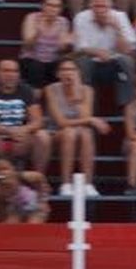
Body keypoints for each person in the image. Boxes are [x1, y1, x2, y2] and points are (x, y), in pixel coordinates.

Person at [45, 57, 108, 198]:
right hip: (56, 133)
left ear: (78, 73)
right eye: (64, 70)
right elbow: (60, 122)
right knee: (69, 132)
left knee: (86, 133)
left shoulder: (87, 90)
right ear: (58, 74)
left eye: (72, 69)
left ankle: (88, 184)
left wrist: (76, 96)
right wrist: (91, 119)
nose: (68, 73)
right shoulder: (51, 89)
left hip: (80, 133)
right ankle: (66, 184)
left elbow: (84, 118)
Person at [0, 57, 49, 171]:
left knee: (43, 136)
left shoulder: (26, 90)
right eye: (6, 71)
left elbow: (38, 121)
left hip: (21, 139)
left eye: (15, 71)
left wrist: (24, 130)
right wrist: (8, 131)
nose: (11, 74)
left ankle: (38, 179)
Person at [72, 0, 136, 103]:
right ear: (90, 5)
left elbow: (128, 50)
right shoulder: (81, 17)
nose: (100, 9)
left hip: (114, 61)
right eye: (97, 6)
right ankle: (88, 105)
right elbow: (80, 48)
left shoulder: (120, 16)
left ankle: (126, 105)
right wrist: (98, 52)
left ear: (111, 5)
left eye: (104, 6)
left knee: (127, 61)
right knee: (82, 61)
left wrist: (117, 29)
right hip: (91, 60)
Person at [19, 0, 72, 89]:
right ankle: (36, 97)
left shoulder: (63, 22)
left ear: (60, 9)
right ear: (43, 6)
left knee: (62, 67)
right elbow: (28, 45)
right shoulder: (32, 18)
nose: (53, 9)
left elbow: (61, 49)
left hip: (53, 60)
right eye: (49, 5)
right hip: (32, 58)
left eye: (57, 6)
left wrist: (67, 43)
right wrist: (39, 29)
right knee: (37, 67)